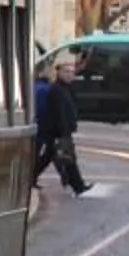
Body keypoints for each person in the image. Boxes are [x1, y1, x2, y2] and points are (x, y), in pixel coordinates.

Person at [33, 56, 91, 196]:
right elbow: (59, 113)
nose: (70, 74)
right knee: (68, 158)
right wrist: (63, 132)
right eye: (67, 71)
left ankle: (30, 178)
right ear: (59, 72)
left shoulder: (65, 88)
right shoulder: (57, 90)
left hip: (59, 130)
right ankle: (78, 186)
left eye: (72, 71)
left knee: (49, 157)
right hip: (58, 130)